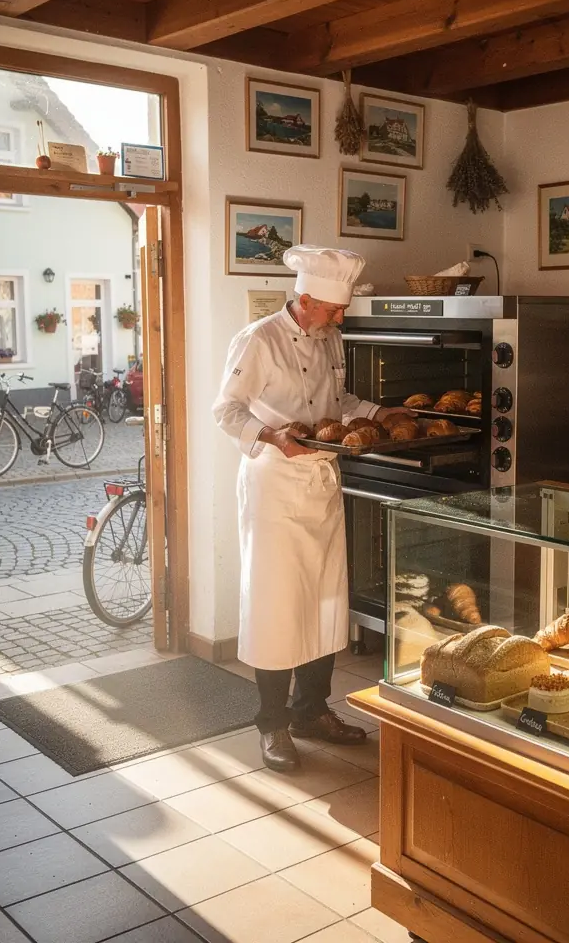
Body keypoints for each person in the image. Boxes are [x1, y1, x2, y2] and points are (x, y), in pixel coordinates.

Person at [213, 244, 410, 772]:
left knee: (325, 598)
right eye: (332, 307)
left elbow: (336, 405)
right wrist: (274, 436)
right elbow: (225, 410)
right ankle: (272, 724)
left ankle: (311, 710)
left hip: (321, 481)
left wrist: (378, 410)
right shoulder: (258, 340)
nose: (340, 316)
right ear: (304, 299)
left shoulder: (331, 340)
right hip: (273, 484)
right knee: (279, 605)